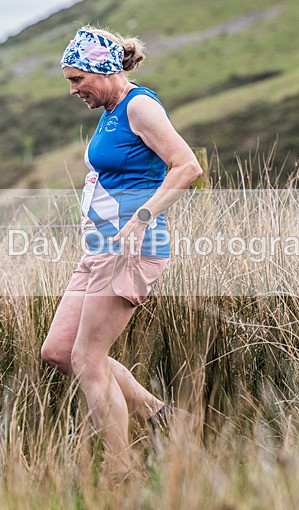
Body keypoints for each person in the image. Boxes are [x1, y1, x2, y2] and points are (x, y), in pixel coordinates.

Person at [40, 26, 203, 481]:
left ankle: (121, 472)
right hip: (99, 249)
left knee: (87, 360)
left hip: (131, 249)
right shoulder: (111, 110)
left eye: (77, 80)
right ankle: (162, 414)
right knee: (58, 351)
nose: (73, 90)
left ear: (102, 69)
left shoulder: (139, 106)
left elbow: (187, 166)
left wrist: (142, 220)